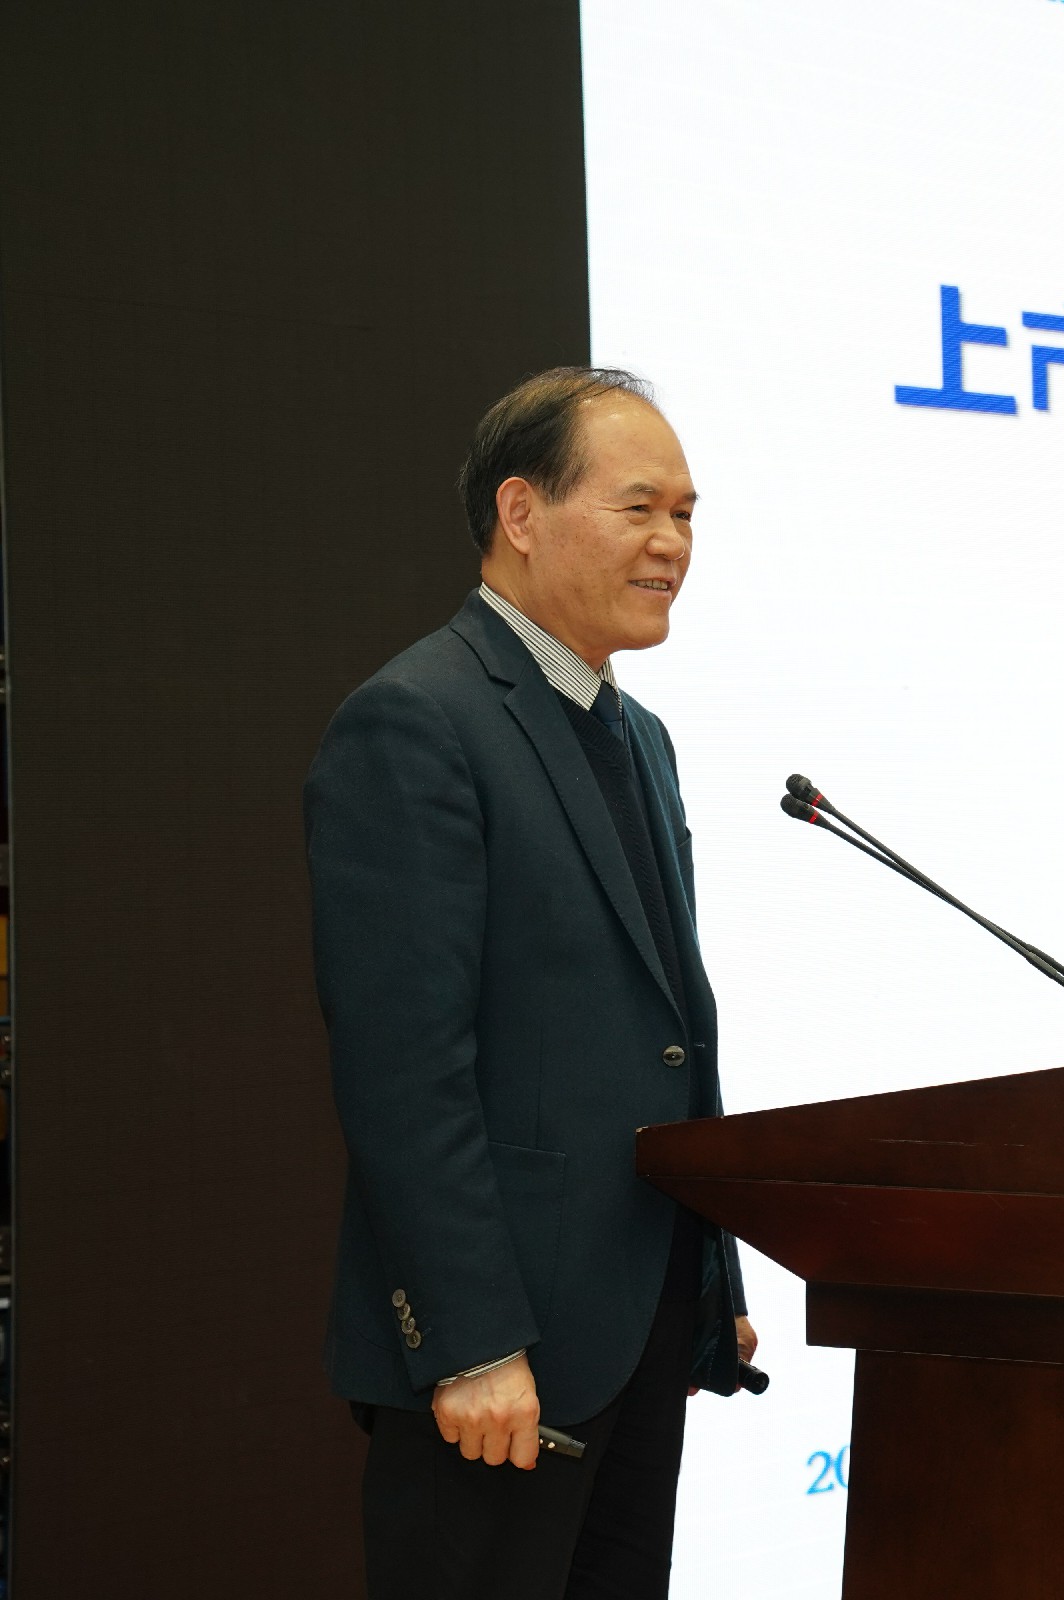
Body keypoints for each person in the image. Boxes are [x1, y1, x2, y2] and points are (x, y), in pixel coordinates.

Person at [306, 367, 757, 1599]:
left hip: (637, 1334)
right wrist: (469, 1342)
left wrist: (707, 1281)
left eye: (686, 513)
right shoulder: (417, 722)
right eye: (638, 507)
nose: (672, 543)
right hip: (498, 1361)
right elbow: (404, 1072)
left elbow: (665, 1032)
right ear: (521, 512)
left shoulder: (638, 734)